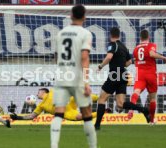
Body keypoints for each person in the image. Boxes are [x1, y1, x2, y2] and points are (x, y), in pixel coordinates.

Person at [50, 5, 97, 148]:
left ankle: (53, 145)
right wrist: (86, 82)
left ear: (71, 15)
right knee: (86, 114)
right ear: (84, 17)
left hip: (62, 77)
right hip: (77, 79)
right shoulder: (85, 33)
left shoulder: (60, 33)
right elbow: (84, 57)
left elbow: (57, 57)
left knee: (59, 113)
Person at [94, 27, 150, 130]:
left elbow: (109, 57)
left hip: (115, 74)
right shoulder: (124, 47)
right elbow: (129, 62)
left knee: (102, 99)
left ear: (110, 35)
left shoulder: (112, 45)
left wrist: (100, 66)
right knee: (120, 104)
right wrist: (120, 63)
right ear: (119, 35)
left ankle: (97, 125)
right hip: (124, 75)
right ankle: (143, 109)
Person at [128, 30, 166, 124]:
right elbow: (151, 54)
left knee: (136, 92)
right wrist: (164, 58)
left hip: (140, 74)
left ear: (140, 38)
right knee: (153, 98)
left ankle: (131, 109)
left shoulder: (136, 49)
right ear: (149, 37)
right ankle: (151, 120)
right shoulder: (151, 45)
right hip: (151, 74)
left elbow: (135, 60)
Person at [10, 88, 112, 121]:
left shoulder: (52, 91)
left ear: (44, 91)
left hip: (68, 103)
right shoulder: (41, 106)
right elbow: (32, 116)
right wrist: (18, 117)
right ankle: (103, 112)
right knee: (81, 117)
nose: (37, 93)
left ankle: (99, 97)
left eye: (39, 91)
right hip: (66, 112)